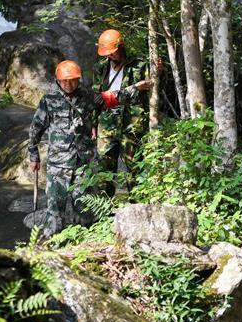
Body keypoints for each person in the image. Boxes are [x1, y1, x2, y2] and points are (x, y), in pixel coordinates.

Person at [28, 59, 152, 236]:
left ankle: (85, 243)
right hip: (58, 166)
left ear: (78, 79)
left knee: (85, 208)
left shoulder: (88, 96)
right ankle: (50, 244)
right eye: (64, 80)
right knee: (55, 209)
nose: (68, 84)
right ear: (57, 81)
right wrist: (34, 155)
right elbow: (36, 128)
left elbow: (113, 97)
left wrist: (136, 88)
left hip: (84, 164)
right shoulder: (49, 101)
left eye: (72, 80)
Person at [91, 29, 154, 196]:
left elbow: (153, 88)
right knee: (104, 168)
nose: (110, 56)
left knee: (134, 167)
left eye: (113, 52)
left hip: (132, 122)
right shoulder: (100, 68)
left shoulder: (139, 65)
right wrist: (93, 123)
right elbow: (96, 98)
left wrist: (160, 71)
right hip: (107, 122)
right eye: (108, 54)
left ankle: (137, 208)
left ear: (121, 47)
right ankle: (104, 212)